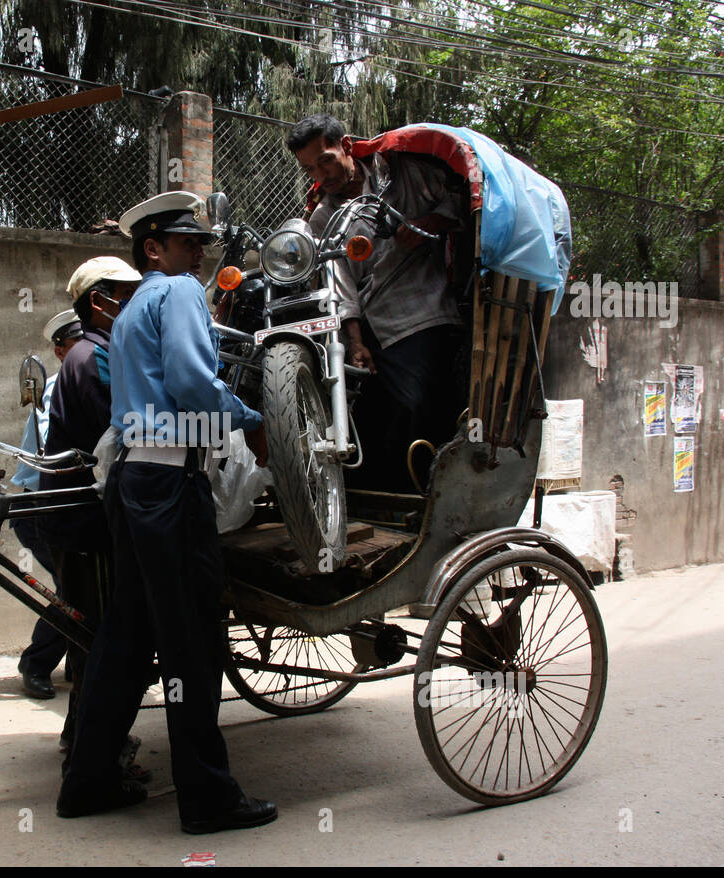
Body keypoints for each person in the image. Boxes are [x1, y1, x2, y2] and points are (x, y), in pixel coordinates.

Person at [57, 191, 277, 834]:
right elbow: (188, 381)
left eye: (200, 242)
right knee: (193, 642)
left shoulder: (128, 311)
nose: (199, 252)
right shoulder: (177, 291)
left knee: (126, 638)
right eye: (187, 242)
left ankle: (88, 781)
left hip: (130, 483)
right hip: (168, 484)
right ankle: (207, 798)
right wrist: (251, 419)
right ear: (154, 248)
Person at [287, 113, 468, 493]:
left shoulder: (402, 173)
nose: (322, 174)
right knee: (365, 410)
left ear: (348, 147)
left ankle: (427, 491)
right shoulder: (324, 216)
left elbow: (460, 196)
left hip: (425, 307)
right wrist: (355, 342)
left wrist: (431, 223)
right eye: (310, 169)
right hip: (372, 321)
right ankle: (386, 495)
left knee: (417, 403)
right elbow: (340, 284)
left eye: (326, 160)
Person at [39, 257, 142, 761]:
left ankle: (80, 733)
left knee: (88, 629)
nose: (136, 304)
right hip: (86, 517)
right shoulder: (94, 357)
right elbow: (118, 432)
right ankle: (97, 750)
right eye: (127, 295)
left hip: (76, 513)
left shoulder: (90, 352)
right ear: (99, 303)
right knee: (100, 631)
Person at [11, 310, 82, 700]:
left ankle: (78, 657)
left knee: (83, 587)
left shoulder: (85, 380)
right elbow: (55, 450)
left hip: (61, 505)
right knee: (72, 591)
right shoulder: (59, 388)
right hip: (42, 508)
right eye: (77, 343)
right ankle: (36, 663)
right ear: (59, 351)